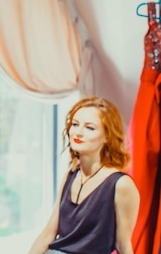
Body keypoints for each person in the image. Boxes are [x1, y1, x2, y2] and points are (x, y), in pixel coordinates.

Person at [27, 97, 140, 254]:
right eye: (75, 124)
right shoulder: (71, 175)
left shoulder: (121, 184)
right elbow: (48, 234)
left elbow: (123, 245)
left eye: (90, 128)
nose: (78, 133)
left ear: (107, 136)